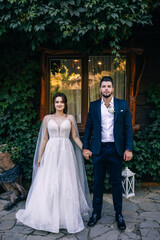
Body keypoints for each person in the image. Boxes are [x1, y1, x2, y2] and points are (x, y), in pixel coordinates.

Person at [16, 93, 92, 234]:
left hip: (65, 153)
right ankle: (47, 215)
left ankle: (64, 217)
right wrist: (40, 156)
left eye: (61, 102)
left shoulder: (70, 118)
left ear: (65, 104)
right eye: (57, 102)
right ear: (53, 104)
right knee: (49, 181)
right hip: (50, 153)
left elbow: (75, 137)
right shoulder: (47, 119)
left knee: (65, 181)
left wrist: (84, 149)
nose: (59, 104)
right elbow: (45, 138)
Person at [82, 76, 133, 230]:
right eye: (103, 86)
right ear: (100, 89)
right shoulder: (94, 106)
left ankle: (119, 214)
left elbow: (128, 128)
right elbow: (89, 128)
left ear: (112, 88)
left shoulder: (122, 105)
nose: (106, 89)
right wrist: (85, 147)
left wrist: (128, 148)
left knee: (116, 183)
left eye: (109, 86)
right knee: (98, 183)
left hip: (116, 150)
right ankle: (96, 213)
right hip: (98, 150)